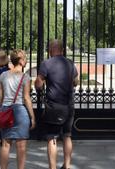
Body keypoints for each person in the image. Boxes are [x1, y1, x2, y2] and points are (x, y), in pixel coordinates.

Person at [35, 39, 78, 169]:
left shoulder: (46, 64)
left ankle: (52, 167)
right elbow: (76, 81)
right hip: (69, 105)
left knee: (52, 138)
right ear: (62, 50)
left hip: (54, 106)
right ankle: (67, 165)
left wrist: (39, 85)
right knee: (67, 136)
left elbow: (39, 83)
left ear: (50, 50)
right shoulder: (70, 63)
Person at [0, 49, 36, 169]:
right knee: (21, 146)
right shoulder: (25, 77)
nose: (26, 61)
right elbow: (26, 98)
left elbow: (0, 95)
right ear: (21, 61)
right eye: (25, 59)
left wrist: (1, 109)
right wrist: (32, 116)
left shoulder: (3, 75)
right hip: (20, 111)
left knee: (5, 144)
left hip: (6, 109)